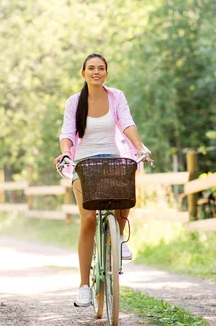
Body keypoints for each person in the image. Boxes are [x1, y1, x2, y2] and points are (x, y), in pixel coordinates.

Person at [54, 53, 151, 308]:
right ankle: (84, 286)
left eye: (101, 68)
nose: (96, 72)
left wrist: (140, 146)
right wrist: (66, 152)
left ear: (106, 73)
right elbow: (67, 133)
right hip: (84, 164)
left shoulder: (116, 96)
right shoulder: (75, 102)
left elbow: (127, 123)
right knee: (87, 219)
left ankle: (118, 238)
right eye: (91, 68)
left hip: (112, 158)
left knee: (126, 186)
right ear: (83, 73)